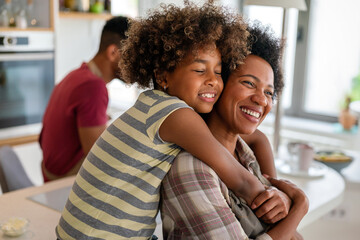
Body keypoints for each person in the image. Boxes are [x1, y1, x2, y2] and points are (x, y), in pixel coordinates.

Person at [56, 1, 271, 239]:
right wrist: (284, 200)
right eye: (200, 70)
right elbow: (241, 182)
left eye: (218, 72)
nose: (213, 80)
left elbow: (256, 138)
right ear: (162, 76)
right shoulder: (176, 114)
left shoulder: (154, 106)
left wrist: (276, 182)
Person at [161, 22, 309, 240]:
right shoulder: (191, 168)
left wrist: (285, 202)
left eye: (269, 92)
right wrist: (300, 207)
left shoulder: (245, 156)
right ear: (216, 85)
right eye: (249, 83)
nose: (261, 100)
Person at [39, 16, 129, 182]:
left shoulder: (76, 75)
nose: (137, 65)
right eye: (132, 57)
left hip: (51, 180)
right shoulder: (93, 87)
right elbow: (100, 159)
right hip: (63, 188)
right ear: (113, 53)